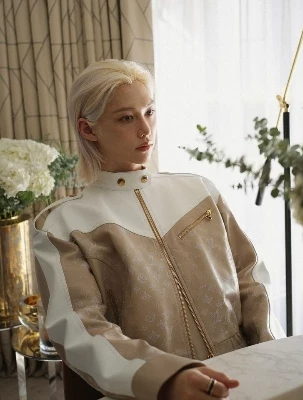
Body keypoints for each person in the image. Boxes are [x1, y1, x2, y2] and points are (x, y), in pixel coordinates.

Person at [33, 59, 285, 400]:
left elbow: (250, 276)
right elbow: (81, 329)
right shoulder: (61, 226)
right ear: (88, 130)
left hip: (243, 379)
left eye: (149, 112)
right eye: (126, 118)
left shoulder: (199, 190)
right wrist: (166, 379)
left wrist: (271, 350)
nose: (145, 129)